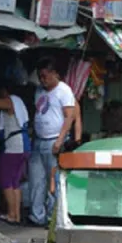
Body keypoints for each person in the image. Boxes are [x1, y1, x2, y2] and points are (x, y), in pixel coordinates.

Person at [27, 59, 79, 228]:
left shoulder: (64, 90)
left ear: (55, 73)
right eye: (41, 75)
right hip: (39, 140)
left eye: (46, 75)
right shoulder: (39, 91)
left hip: (54, 141)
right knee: (36, 180)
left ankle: (52, 218)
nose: (43, 79)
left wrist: (60, 140)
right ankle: (37, 216)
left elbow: (69, 117)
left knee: (54, 182)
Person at [0, 84, 29, 224]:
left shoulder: (12, 100)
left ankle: (12, 214)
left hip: (14, 147)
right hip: (22, 146)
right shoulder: (20, 103)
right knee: (14, 183)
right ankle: (16, 215)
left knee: (6, 180)